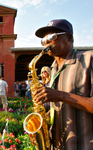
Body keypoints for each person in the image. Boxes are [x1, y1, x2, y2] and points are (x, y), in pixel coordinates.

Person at [34, 19, 93, 149]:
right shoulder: (52, 69)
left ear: (69, 37)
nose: (46, 42)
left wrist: (60, 95)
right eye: (43, 40)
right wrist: (44, 117)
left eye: (51, 37)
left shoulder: (89, 59)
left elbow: (62, 97)